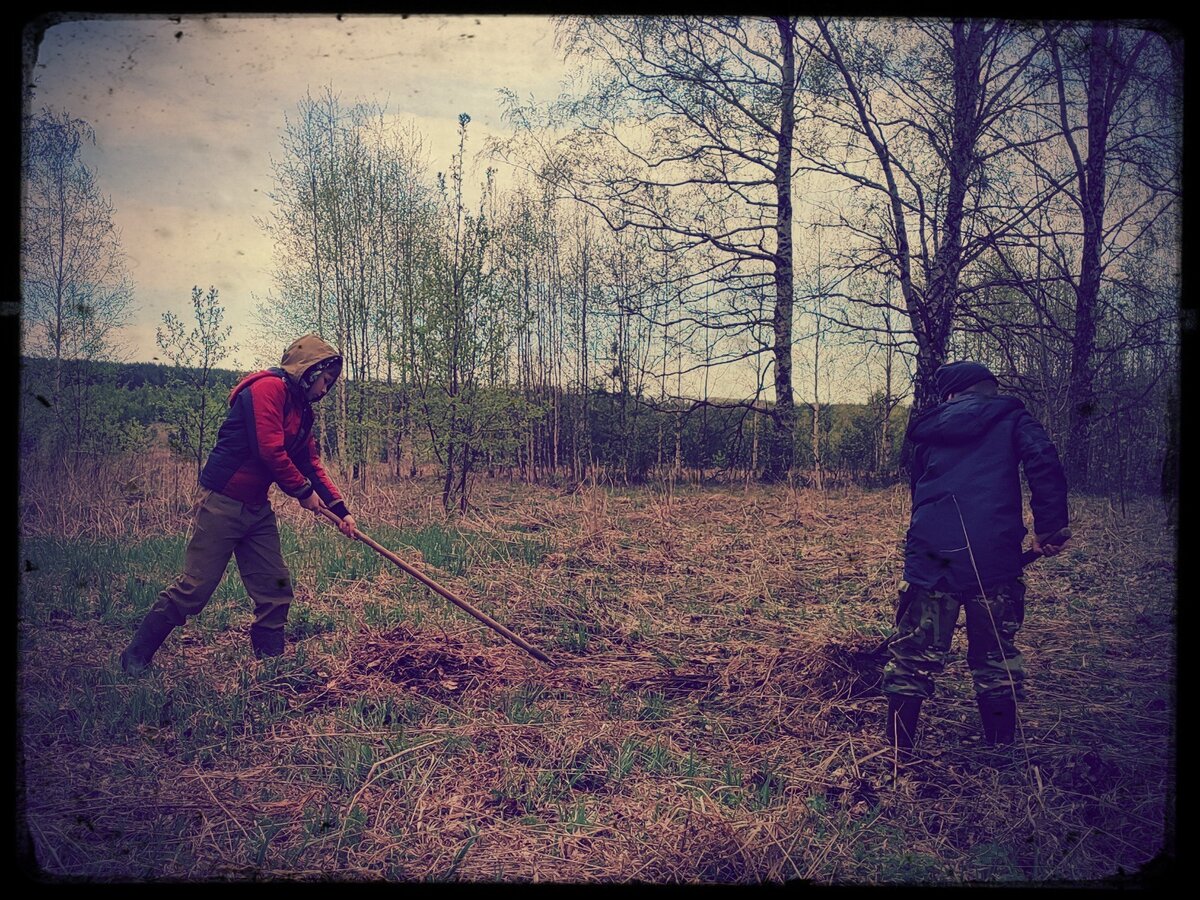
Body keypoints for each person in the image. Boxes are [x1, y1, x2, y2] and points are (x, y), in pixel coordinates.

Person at [120, 334, 358, 674]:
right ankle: (136, 656)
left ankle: (270, 667)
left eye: (331, 384)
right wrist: (303, 492)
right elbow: (270, 451)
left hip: (256, 508)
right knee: (194, 589)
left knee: (275, 587)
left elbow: (309, 463)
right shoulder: (267, 389)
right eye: (325, 380)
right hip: (221, 502)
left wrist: (341, 511)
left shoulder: (302, 412)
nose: (325, 389)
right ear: (309, 371)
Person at [882, 361, 1070, 756]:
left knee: (913, 655)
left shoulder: (931, 428)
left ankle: (897, 753)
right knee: (995, 656)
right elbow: (1044, 461)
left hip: (931, 555)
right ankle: (1000, 751)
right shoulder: (1013, 418)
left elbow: (919, 492)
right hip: (994, 556)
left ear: (951, 393)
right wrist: (1049, 528)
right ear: (987, 388)